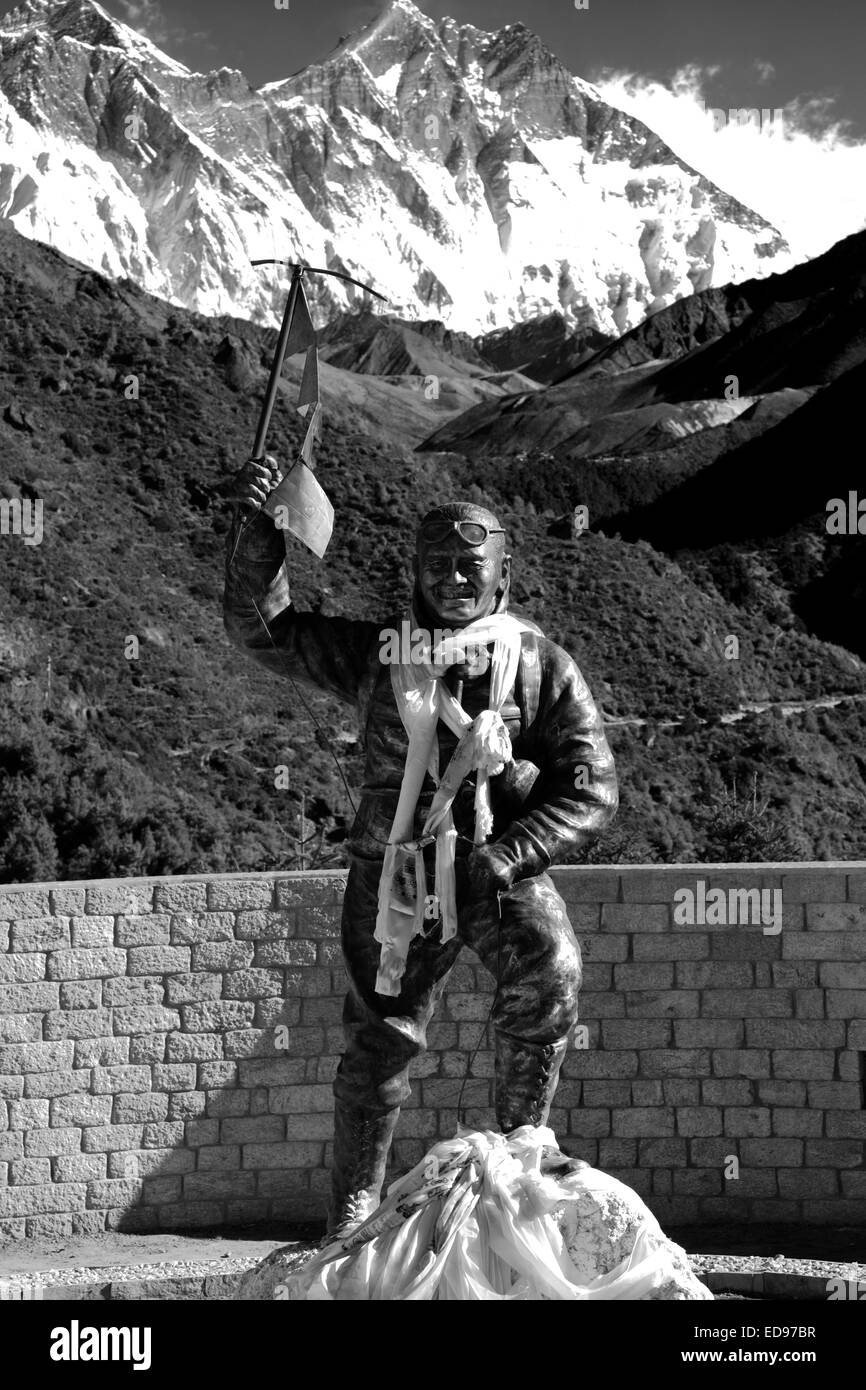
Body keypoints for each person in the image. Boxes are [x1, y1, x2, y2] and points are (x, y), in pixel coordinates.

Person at [223, 456, 618, 1240]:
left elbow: (592, 788)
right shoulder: (379, 653)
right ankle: (352, 1214)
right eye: (436, 565)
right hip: (393, 870)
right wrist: (259, 534)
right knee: (380, 1034)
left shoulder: (539, 666)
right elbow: (262, 629)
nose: (453, 579)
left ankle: (518, 1174)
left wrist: (510, 854)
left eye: (471, 565)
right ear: (414, 571)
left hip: (492, 865)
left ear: (503, 573)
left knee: (550, 973)